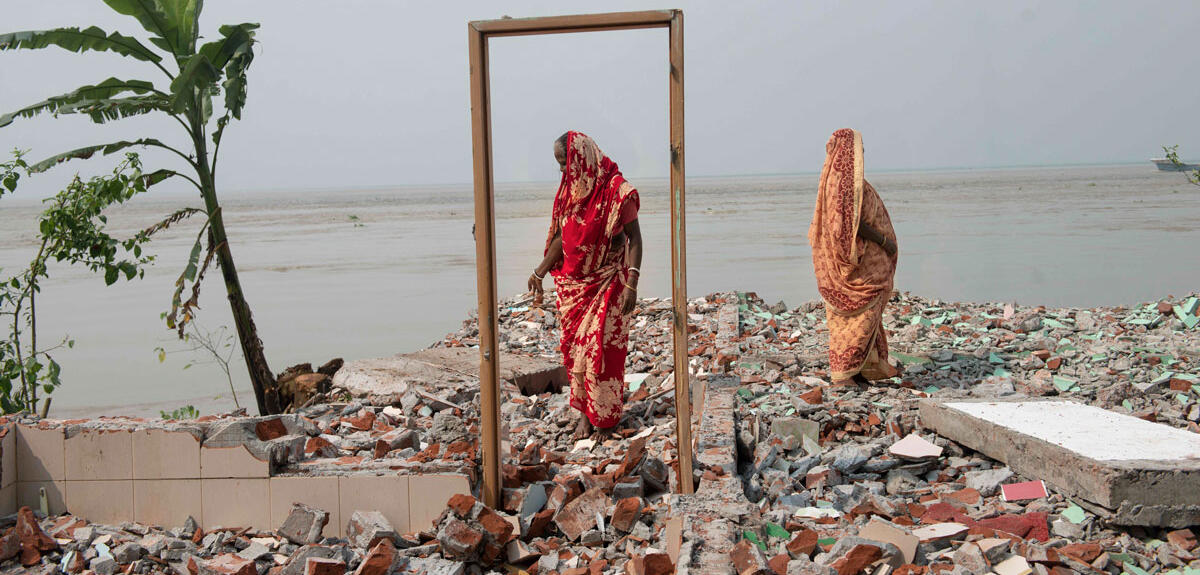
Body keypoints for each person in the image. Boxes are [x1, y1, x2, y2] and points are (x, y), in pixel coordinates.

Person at [528, 131, 642, 440]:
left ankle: (605, 419)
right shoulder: (569, 192)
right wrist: (539, 273)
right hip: (574, 288)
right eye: (559, 165)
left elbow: (635, 239)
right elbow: (561, 240)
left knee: (602, 353)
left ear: (582, 158)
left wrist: (632, 282)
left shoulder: (618, 192)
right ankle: (584, 416)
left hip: (609, 285)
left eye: (566, 163)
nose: (563, 170)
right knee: (577, 354)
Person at [808, 128, 901, 387]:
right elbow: (851, 224)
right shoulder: (844, 184)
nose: (862, 153)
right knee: (863, 313)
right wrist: (885, 242)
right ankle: (845, 374)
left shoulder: (834, 180)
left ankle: (859, 368)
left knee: (856, 318)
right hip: (858, 267)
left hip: (846, 266)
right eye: (858, 150)